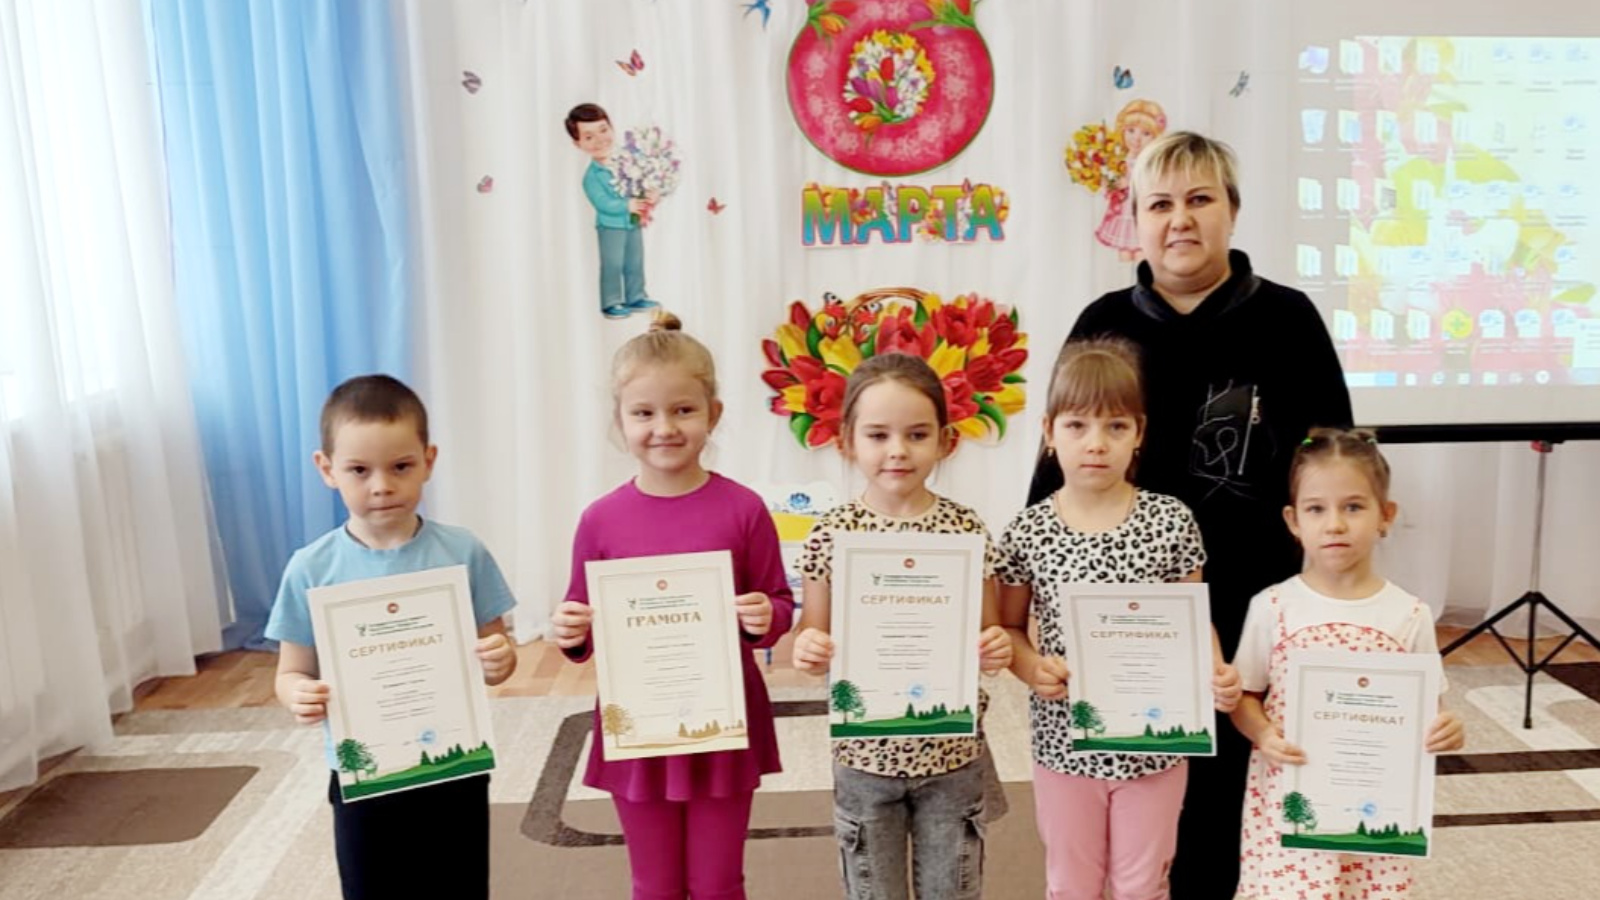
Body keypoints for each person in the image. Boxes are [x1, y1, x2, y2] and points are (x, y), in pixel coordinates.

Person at [1028, 131, 1354, 899]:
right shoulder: (1105, 322)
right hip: (1125, 616)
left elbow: (1334, 458)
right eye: (1160, 204)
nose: (1180, 220)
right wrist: (1042, 613)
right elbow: (1054, 471)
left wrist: (1337, 581)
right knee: (1134, 807)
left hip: (1252, 600)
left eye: (1200, 199)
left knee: (1231, 798)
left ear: (1232, 211)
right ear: (1135, 221)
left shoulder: (1289, 319)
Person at [551, 312, 793, 900]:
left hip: (724, 725)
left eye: (683, 409)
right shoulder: (600, 520)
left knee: (718, 883)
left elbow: (778, 602)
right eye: (644, 413)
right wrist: (570, 629)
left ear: (714, 413)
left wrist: (766, 617)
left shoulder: (744, 510)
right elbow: (581, 618)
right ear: (620, 421)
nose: (664, 427)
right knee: (653, 884)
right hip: (641, 728)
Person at [999, 339, 1241, 900]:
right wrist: (1031, 668)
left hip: (1156, 744)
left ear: (1139, 433)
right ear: (1049, 431)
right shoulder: (1028, 531)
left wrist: (1216, 669)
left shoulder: (1171, 520)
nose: (1096, 443)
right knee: (1071, 883)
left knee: (1142, 883)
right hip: (1064, 743)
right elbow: (1009, 629)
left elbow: (1193, 621)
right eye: (1077, 425)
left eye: (1115, 426)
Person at [267, 374, 518, 900]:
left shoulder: (462, 552)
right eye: (359, 470)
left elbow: (498, 650)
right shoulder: (311, 568)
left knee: (461, 888)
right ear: (327, 469)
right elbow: (290, 671)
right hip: (364, 774)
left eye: (400, 466)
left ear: (428, 460)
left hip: (453, 766)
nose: (381, 485)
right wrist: (298, 693)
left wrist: (499, 659)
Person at [790, 352, 1014, 900]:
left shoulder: (966, 529)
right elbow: (809, 635)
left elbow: (990, 633)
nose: (897, 450)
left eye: (916, 434)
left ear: (945, 441)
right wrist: (809, 648)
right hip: (864, 758)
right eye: (877, 435)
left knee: (952, 890)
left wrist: (995, 647)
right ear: (847, 441)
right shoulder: (831, 534)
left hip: (953, 755)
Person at [1231, 428, 1465, 899]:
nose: (1335, 524)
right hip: (1291, 795)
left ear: (1386, 515)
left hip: (1374, 805)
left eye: (1353, 507)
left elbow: (1430, 711)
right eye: (1317, 509)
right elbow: (1245, 697)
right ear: (1293, 520)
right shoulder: (1272, 607)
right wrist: (1264, 735)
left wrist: (1447, 730)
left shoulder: (1410, 615)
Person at [566, 102, 660, 319]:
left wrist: (650, 196)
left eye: (603, 130)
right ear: (577, 143)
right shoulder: (592, 177)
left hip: (633, 222)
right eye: (589, 137)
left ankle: (636, 296)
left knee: (635, 261)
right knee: (613, 264)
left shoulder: (626, 163)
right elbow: (602, 203)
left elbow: (638, 186)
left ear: (611, 128)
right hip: (610, 227)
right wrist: (626, 205)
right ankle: (612, 301)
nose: (600, 140)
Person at [1096, 99, 1168, 261]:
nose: (1136, 138)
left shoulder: (1150, 162)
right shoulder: (1119, 159)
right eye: (1131, 130)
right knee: (1124, 253)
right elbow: (1112, 185)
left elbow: (1155, 185)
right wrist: (1109, 184)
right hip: (1123, 213)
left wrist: (1129, 184)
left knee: (1142, 253)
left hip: (1141, 212)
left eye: (1146, 133)